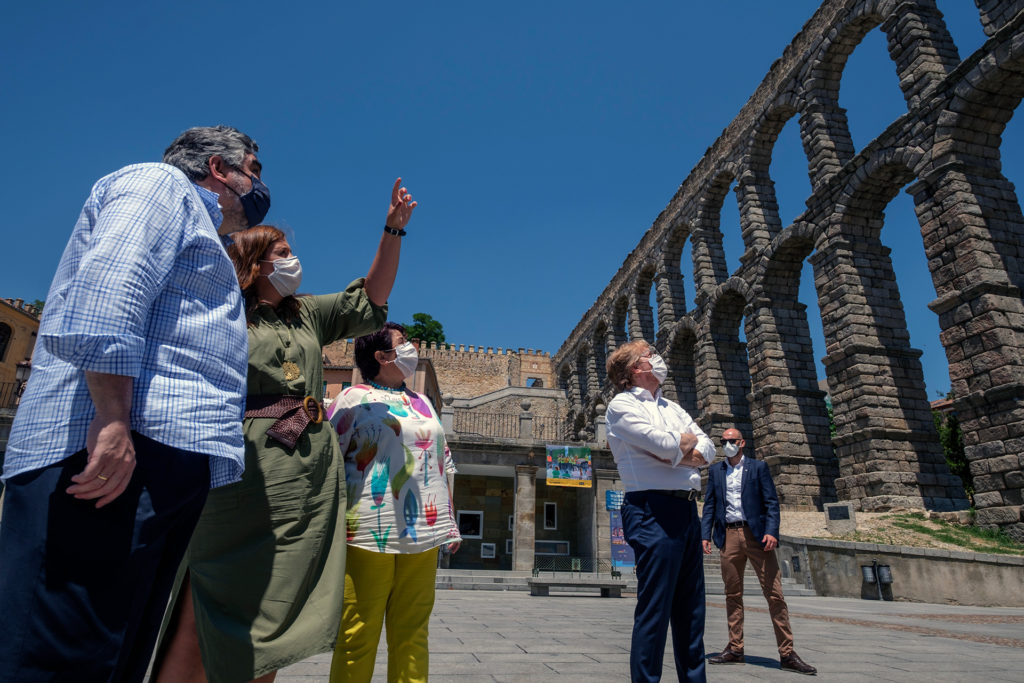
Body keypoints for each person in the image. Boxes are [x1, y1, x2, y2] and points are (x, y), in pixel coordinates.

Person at [0, 125, 268, 682]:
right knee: (65, 652)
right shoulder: (159, 186)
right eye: (253, 171)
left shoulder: (198, 225)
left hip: (158, 456)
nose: (259, 187)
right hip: (114, 453)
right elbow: (110, 291)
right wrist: (113, 420)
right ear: (218, 168)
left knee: (114, 651)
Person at [153, 179, 416, 683]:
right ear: (255, 264)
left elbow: (371, 297)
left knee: (278, 602)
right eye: (282, 253)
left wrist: (393, 231)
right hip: (244, 460)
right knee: (210, 585)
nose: (294, 260)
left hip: (307, 468)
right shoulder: (223, 310)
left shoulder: (307, 314)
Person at [327, 322, 461, 683]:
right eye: (402, 342)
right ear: (382, 356)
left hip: (425, 532)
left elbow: (441, 463)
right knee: (357, 633)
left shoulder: (423, 402)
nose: (411, 348)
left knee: (413, 632)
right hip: (367, 532)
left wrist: (449, 521)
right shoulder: (352, 399)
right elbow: (329, 460)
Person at [604, 339, 715, 683]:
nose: (657, 358)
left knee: (692, 611)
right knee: (655, 610)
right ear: (635, 369)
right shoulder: (621, 406)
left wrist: (675, 451)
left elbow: (708, 449)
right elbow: (667, 444)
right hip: (651, 509)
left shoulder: (673, 408)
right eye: (649, 355)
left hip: (687, 510)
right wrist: (679, 445)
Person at [701, 427, 817, 676]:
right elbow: (710, 504)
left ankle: (787, 653)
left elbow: (771, 502)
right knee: (732, 594)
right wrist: (705, 535)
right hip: (728, 535)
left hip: (756, 536)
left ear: (742, 442)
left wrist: (772, 531)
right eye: (723, 441)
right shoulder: (716, 471)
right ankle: (735, 648)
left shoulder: (758, 468)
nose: (727, 444)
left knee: (774, 594)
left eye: (731, 440)